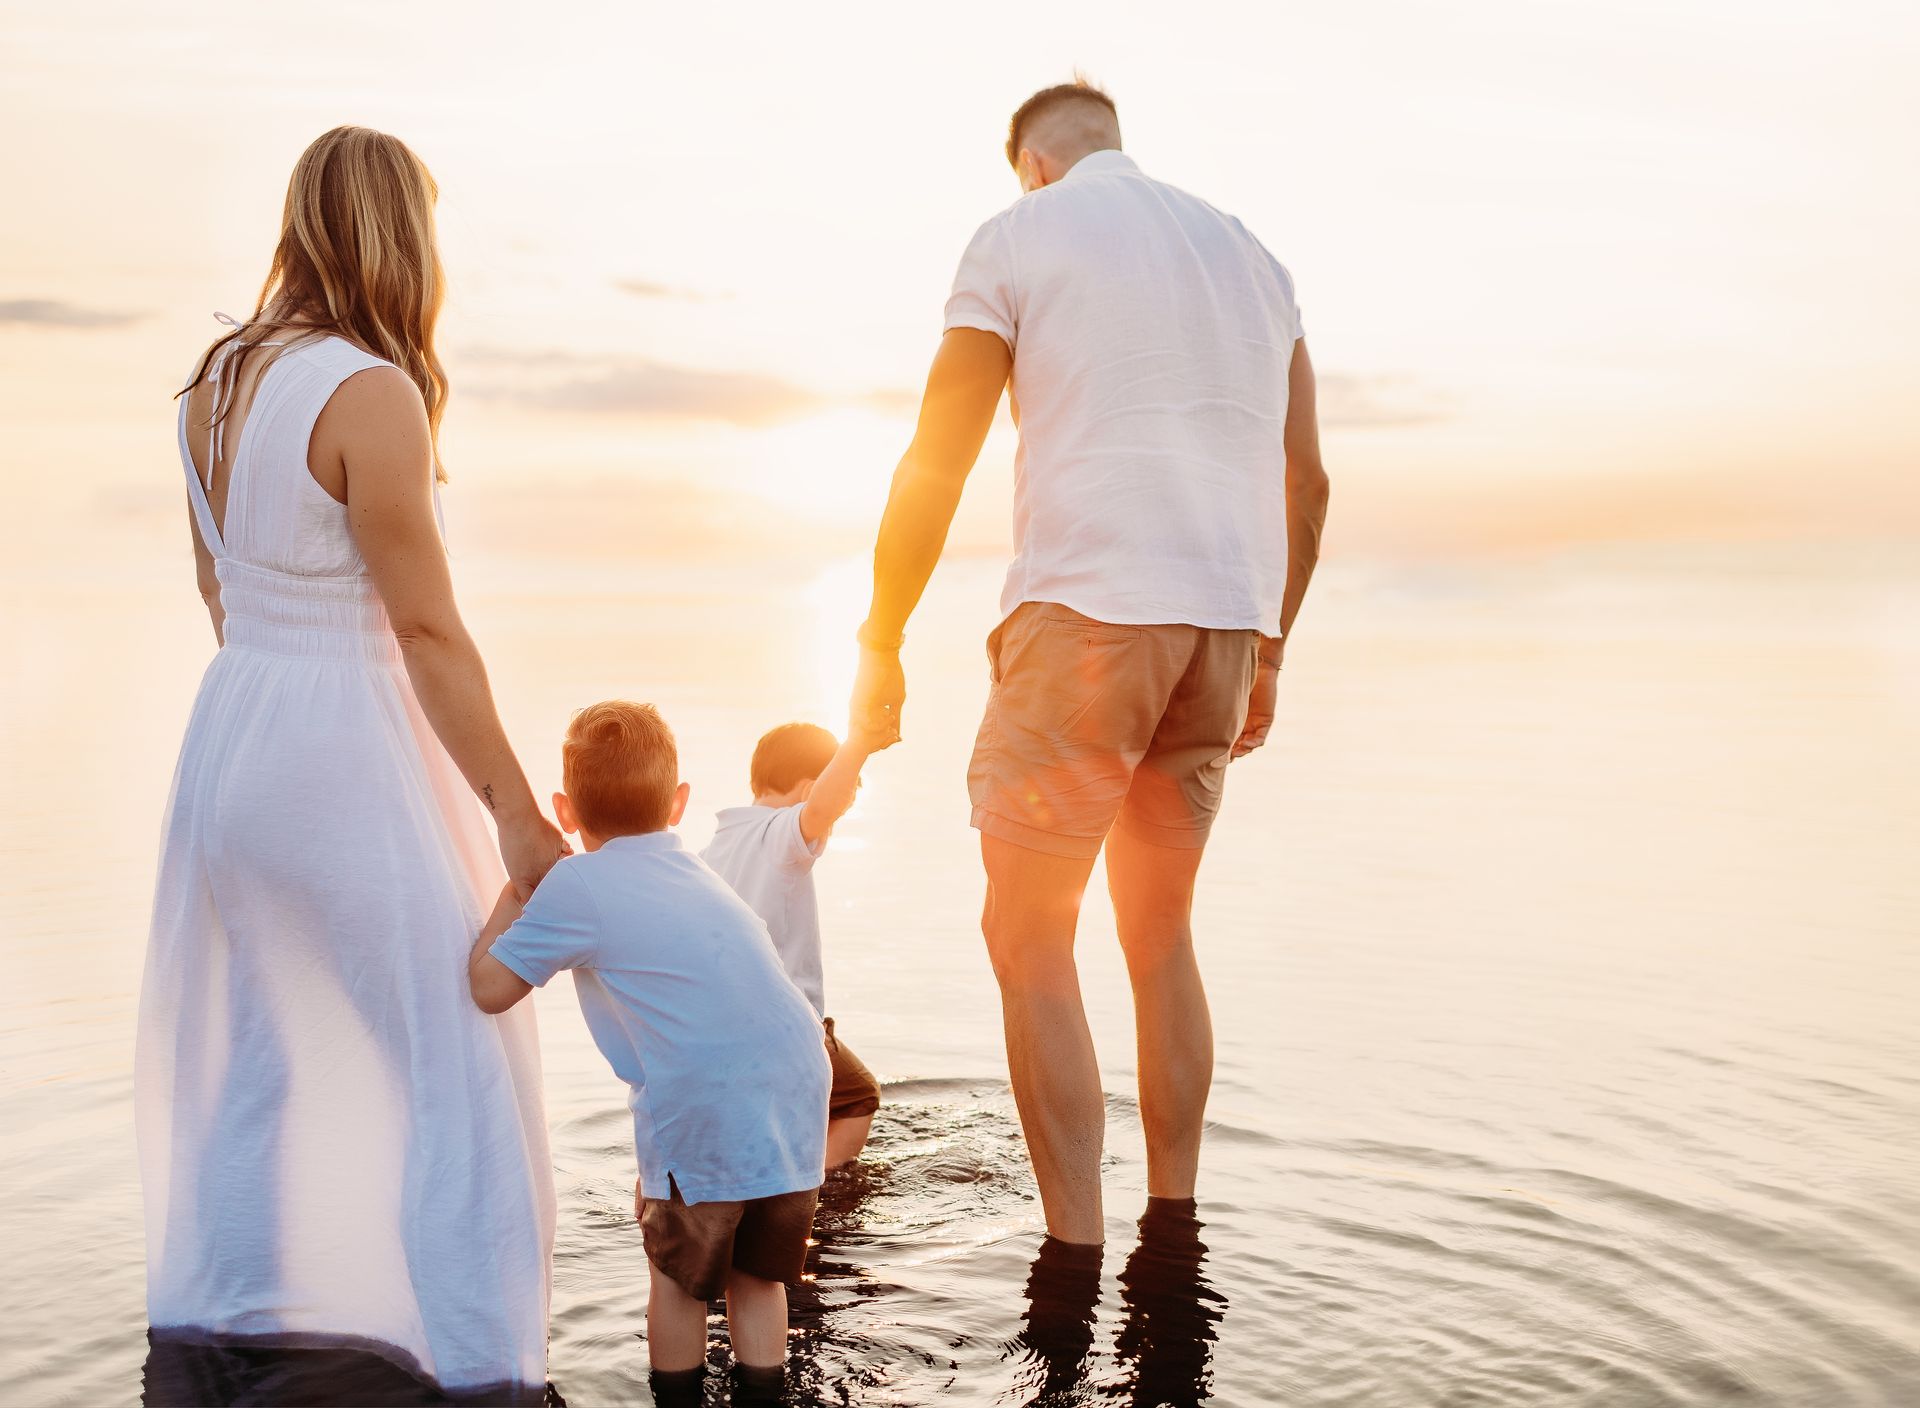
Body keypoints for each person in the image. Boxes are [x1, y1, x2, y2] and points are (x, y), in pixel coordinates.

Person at [850, 80, 1332, 1246]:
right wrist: (1267, 649)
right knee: (1159, 933)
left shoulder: (1019, 234)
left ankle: (1073, 1255)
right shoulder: (1254, 259)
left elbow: (937, 457)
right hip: (1220, 626)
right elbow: (1306, 485)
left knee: (1028, 935)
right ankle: (1177, 1235)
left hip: (1087, 624)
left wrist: (878, 635)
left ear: (1030, 163)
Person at [137, 127, 566, 1401]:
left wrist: (277, 700)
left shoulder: (212, 383)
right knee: (457, 1052)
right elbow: (425, 627)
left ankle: (240, 1325)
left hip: (231, 737)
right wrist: (518, 814)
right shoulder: (366, 389)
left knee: (263, 1046)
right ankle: (478, 1363)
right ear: (399, 236)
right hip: (335, 741)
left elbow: (218, 589)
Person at [469, 702, 830, 1405]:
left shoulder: (575, 886)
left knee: (676, 1276)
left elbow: (487, 989)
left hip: (703, 1095)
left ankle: (677, 1397)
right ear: (679, 803)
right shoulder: (695, 870)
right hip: (796, 1081)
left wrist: (517, 892)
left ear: (565, 811)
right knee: (757, 1276)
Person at [701, 722, 887, 1167]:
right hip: (786, 1027)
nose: (841, 812)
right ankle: (815, 1183)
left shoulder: (714, 848)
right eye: (847, 797)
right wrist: (859, 744)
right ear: (809, 788)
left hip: (721, 1028)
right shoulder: (782, 835)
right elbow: (823, 806)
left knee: (761, 1121)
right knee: (857, 1097)